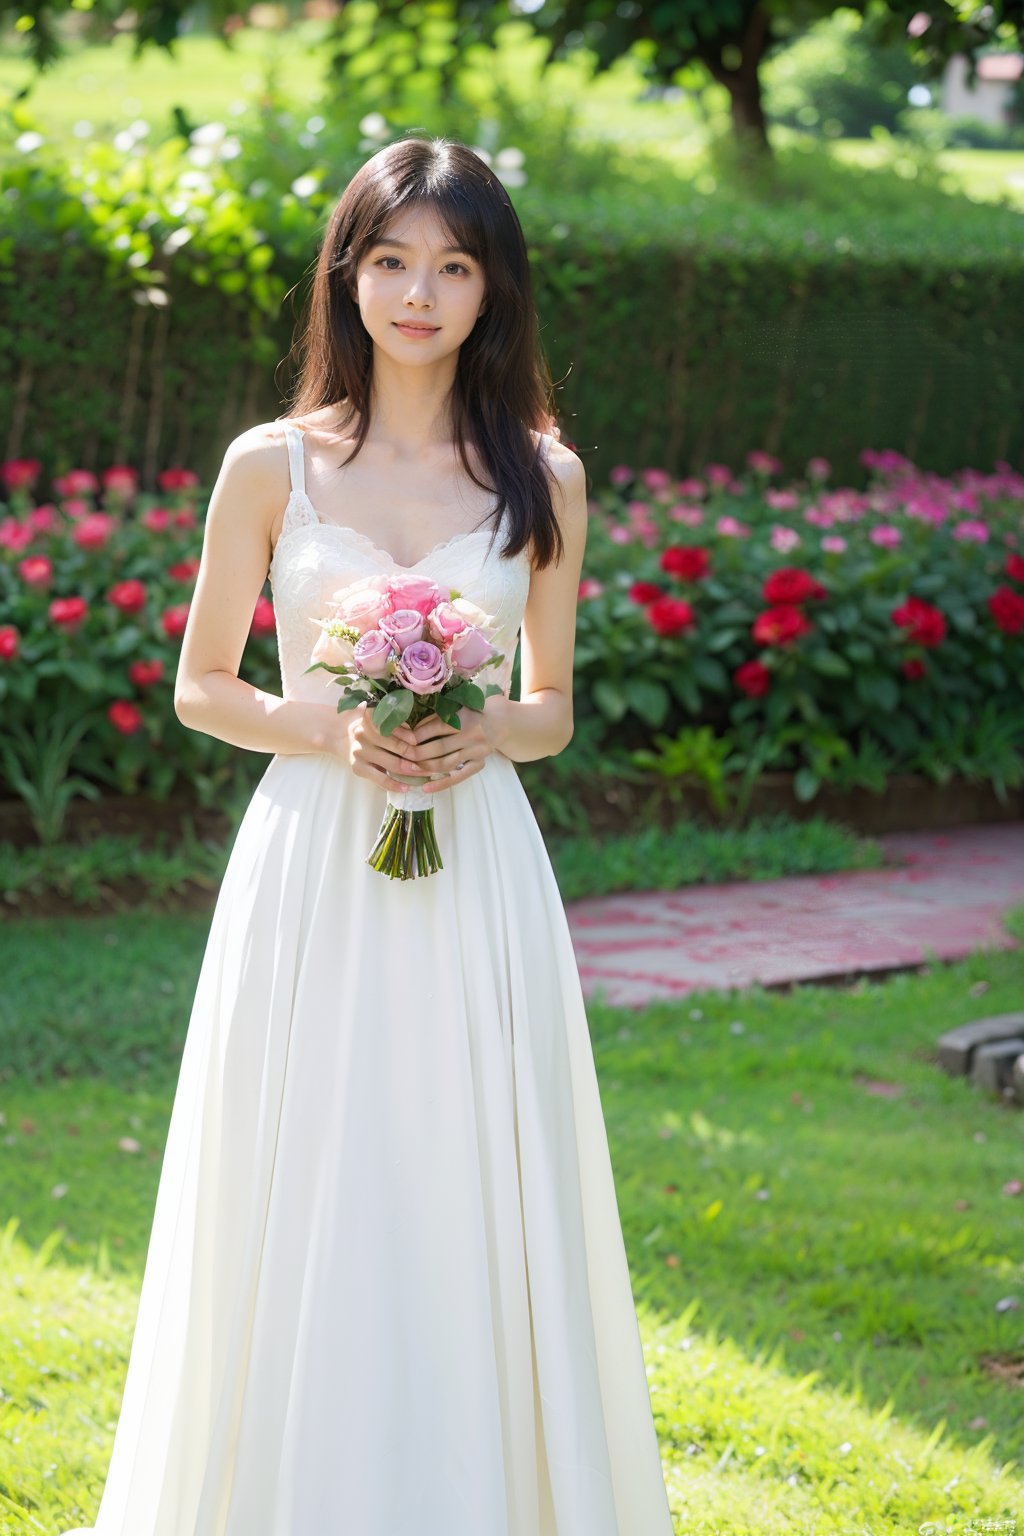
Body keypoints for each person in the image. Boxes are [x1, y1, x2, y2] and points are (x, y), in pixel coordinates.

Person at [63, 135, 675, 1535]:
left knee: (466, 1172)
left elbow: (554, 708)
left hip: (481, 876)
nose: (419, 292)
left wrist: (482, 732)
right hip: (313, 865)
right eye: (392, 259)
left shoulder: (546, 476)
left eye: (454, 265)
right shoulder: (270, 464)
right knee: (305, 1164)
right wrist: (328, 728)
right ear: (349, 274)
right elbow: (200, 686)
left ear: (491, 289)